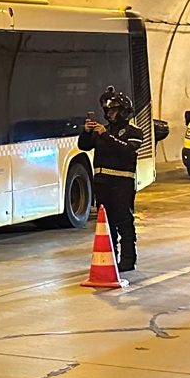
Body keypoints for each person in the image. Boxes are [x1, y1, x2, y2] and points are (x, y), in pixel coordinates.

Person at [79, 86, 143, 272]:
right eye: (108, 110)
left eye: (114, 110)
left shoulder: (134, 132)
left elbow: (125, 150)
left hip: (122, 184)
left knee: (124, 222)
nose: (110, 114)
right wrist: (86, 131)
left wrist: (105, 135)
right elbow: (84, 146)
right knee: (108, 224)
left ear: (123, 112)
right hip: (102, 184)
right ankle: (111, 257)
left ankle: (128, 260)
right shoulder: (102, 131)